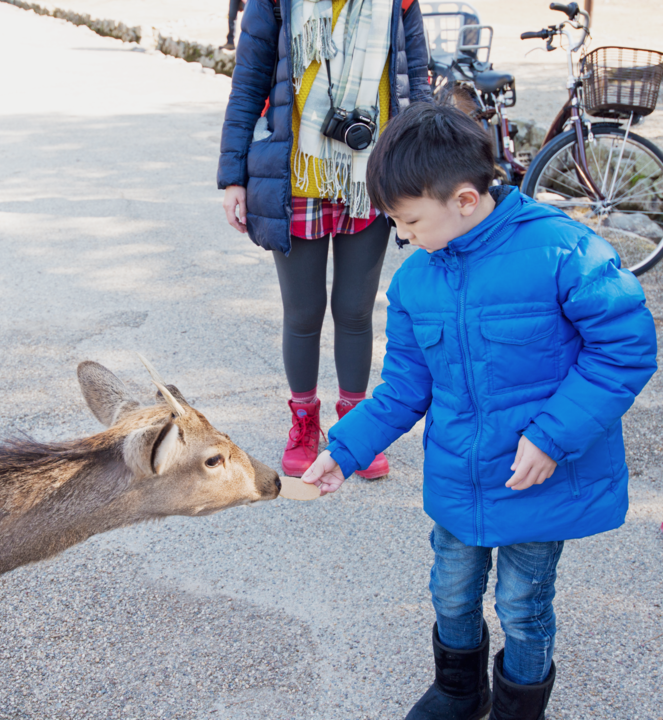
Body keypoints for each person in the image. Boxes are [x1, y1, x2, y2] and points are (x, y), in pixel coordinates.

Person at [301, 103, 658, 719]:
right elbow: (404, 387)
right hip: (458, 481)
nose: (403, 236)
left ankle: (520, 705)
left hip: (537, 479)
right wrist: (344, 449)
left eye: (409, 220)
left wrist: (552, 436)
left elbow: (624, 349)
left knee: (523, 603)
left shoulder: (565, 251)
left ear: (464, 200)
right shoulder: (418, 282)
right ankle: (458, 691)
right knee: (451, 591)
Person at [218, 0, 431, 478]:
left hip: (371, 177)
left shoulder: (401, 3)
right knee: (303, 312)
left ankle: (356, 427)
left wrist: (420, 170)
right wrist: (233, 176)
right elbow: (249, 86)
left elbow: (416, 84)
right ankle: (303, 421)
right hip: (296, 178)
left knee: (356, 310)